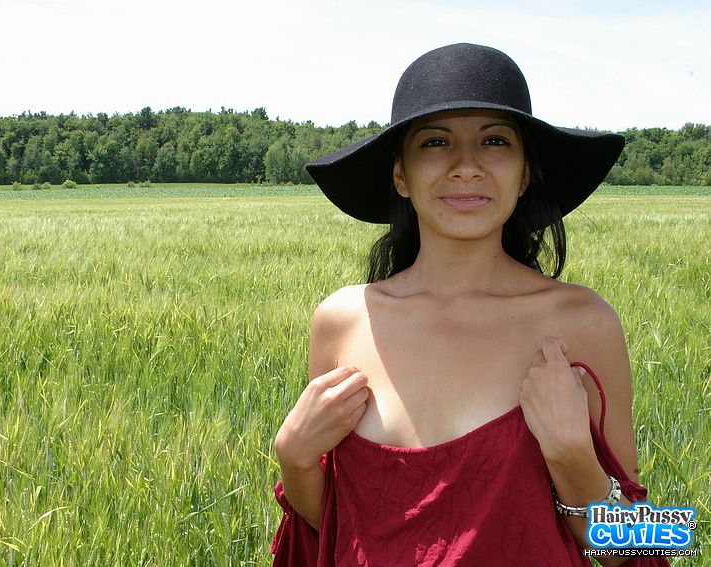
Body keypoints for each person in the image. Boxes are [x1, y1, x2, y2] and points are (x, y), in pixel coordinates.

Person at [271, 44, 665, 566]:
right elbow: (342, 534)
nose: (466, 166)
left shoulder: (583, 323)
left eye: (494, 141)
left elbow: (641, 545)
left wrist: (573, 456)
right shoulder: (343, 322)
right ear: (401, 175)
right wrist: (295, 459)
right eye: (436, 142)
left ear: (525, 174)